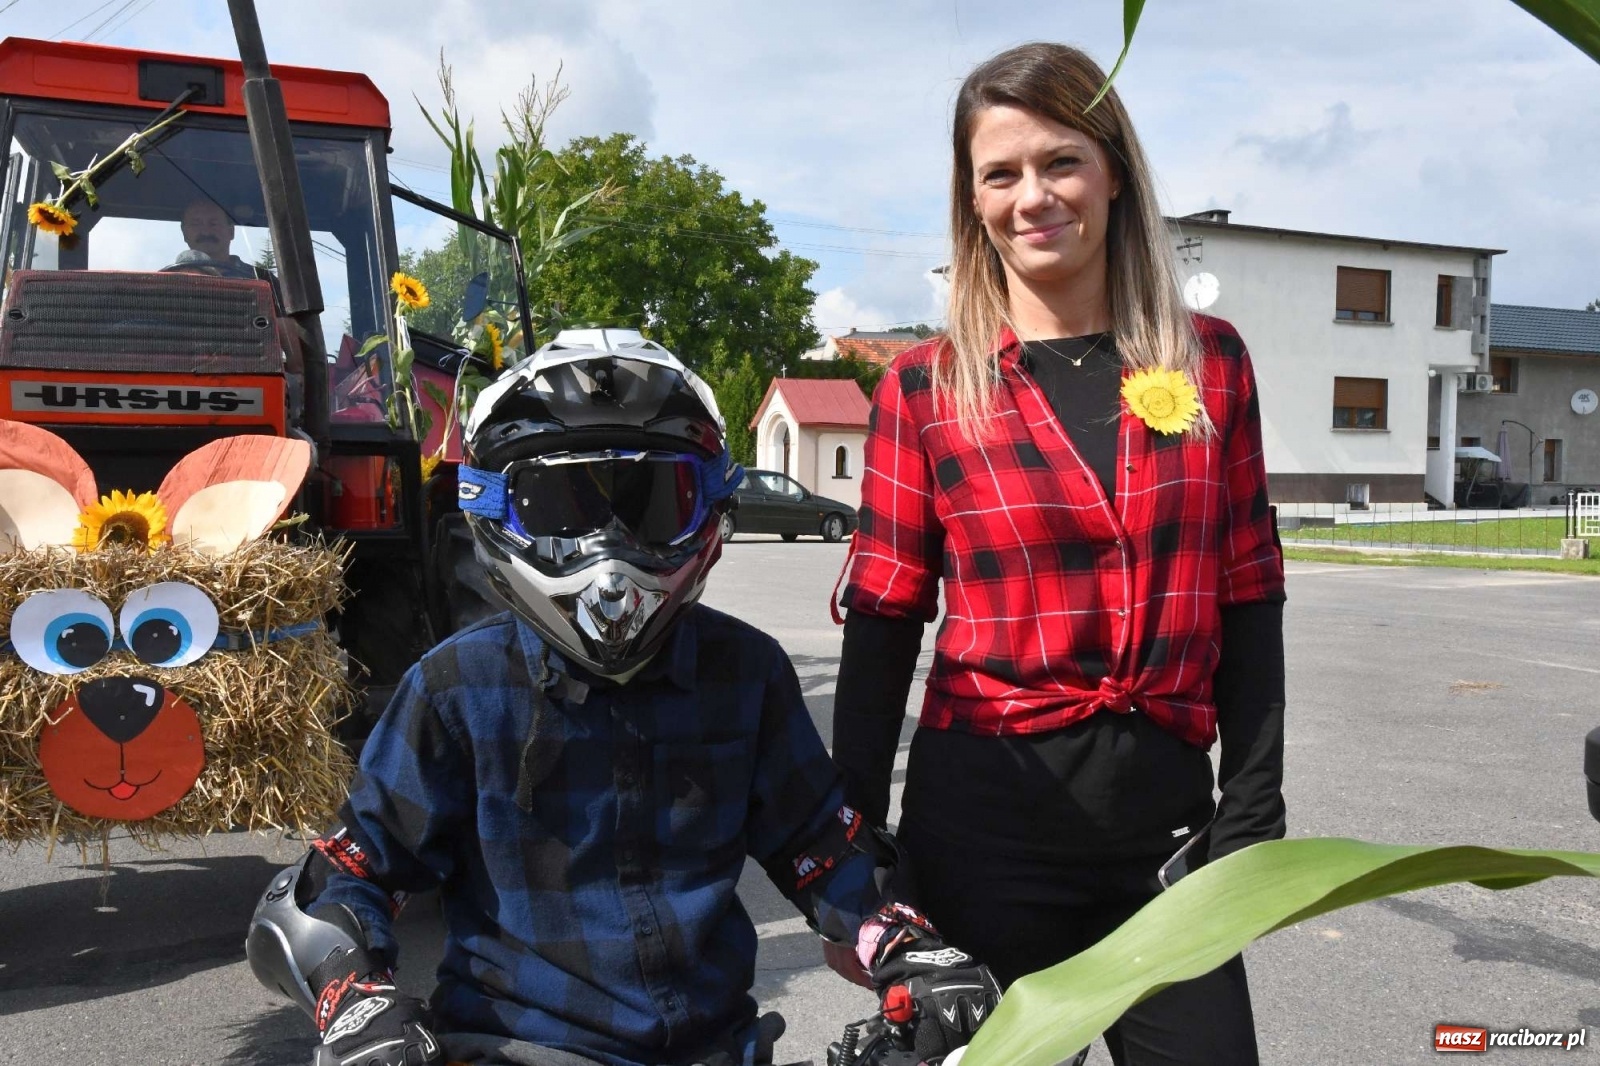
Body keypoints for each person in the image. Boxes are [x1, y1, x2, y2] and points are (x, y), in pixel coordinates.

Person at [246, 336, 1000, 1066]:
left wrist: (906, 946)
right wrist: (357, 1005)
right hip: (514, 1050)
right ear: (495, 510)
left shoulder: (746, 672)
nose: (608, 551)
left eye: (649, 504)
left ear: (708, 507)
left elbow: (822, 849)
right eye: (562, 505)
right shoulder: (457, 689)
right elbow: (339, 881)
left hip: (717, 1047)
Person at [830, 43, 1287, 1066]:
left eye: (1060, 162)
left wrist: (1252, 808)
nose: (1033, 196)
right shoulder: (924, 387)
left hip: (1167, 848)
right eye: (1001, 173)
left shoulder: (1210, 363)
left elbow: (1248, 593)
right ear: (972, 199)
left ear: (1113, 169)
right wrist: (850, 847)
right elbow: (885, 612)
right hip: (983, 843)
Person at [167, 198, 259, 278]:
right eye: (196, 224)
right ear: (184, 233)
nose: (206, 232)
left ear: (231, 232)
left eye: (214, 224)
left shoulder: (261, 279)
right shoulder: (168, 282)